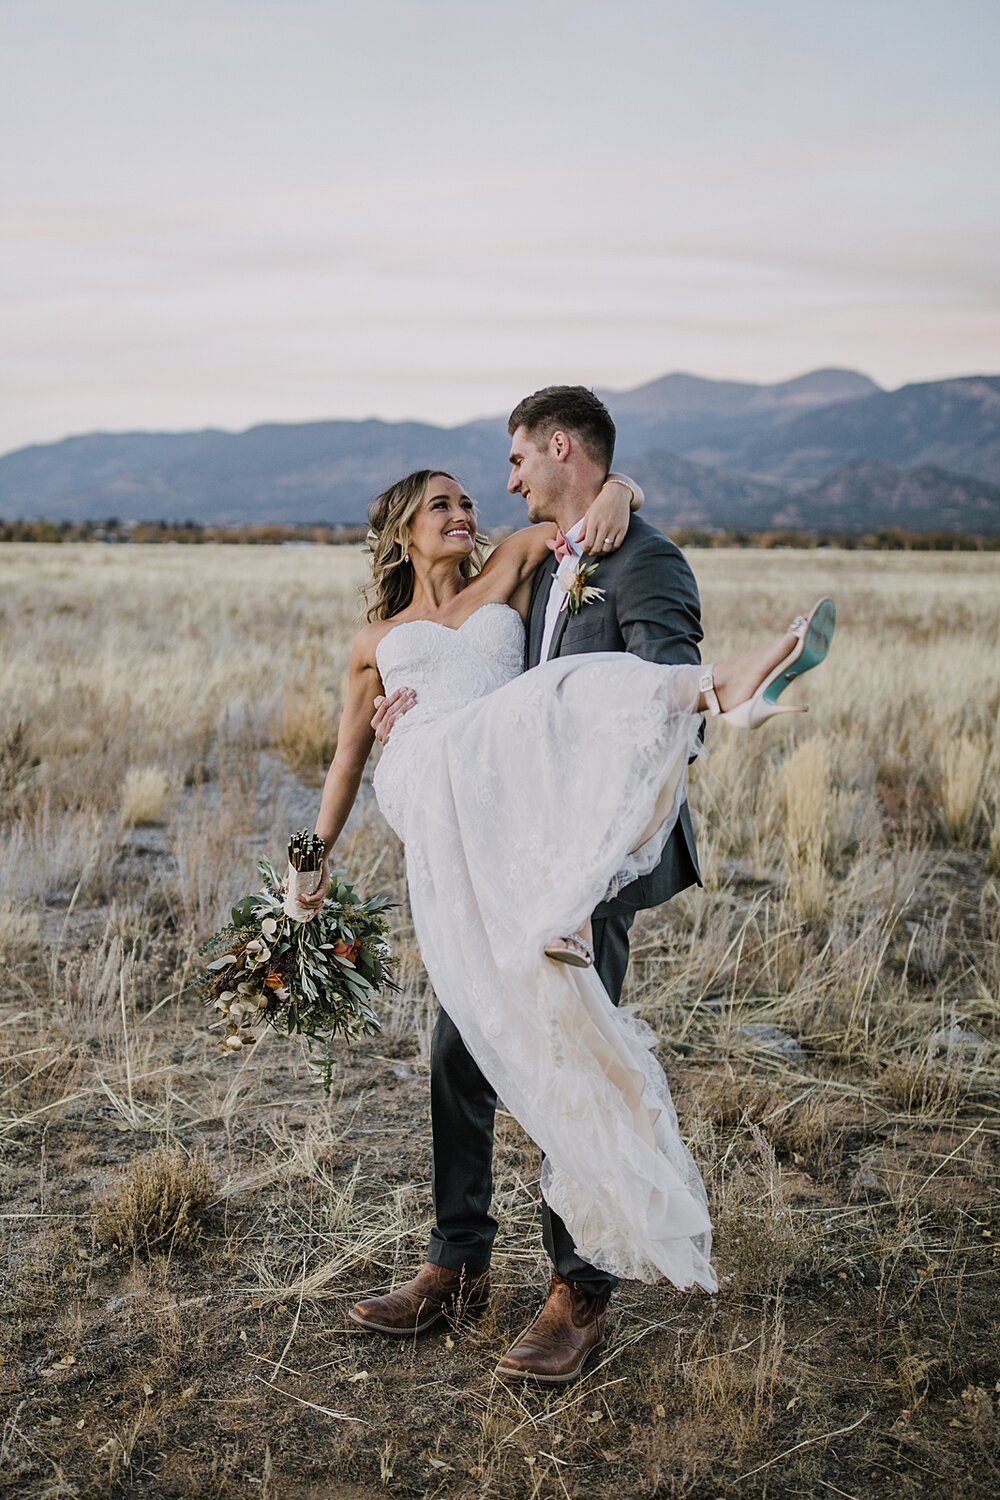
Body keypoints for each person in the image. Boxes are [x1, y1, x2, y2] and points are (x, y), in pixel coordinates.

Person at [301, 390, 835, 1384]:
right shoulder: (467, 603)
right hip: (474, 834)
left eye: (499, 475)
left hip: (574, 862)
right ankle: (454, 1264)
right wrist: (346, 809)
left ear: (554, 451)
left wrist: (623, 491)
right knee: (459, 1054)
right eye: (449, 505)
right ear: (403, 536)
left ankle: (577, 1291)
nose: (485, 500)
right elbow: (359, 748)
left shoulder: (597, 558)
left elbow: (626, 676)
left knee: (568, 1049)